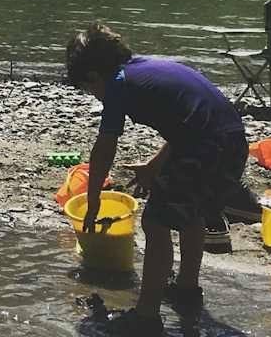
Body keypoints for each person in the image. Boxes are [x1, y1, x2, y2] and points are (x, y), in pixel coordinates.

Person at [65, 22, 260, 335]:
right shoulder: (146, 69)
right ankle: (185, 290)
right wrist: (156, 165)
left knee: (155, 222)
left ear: (93, 76)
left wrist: (93, 198)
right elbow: (189, 120)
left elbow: (105, 146)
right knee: (190, 212)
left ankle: (146, 318)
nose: (96, 96)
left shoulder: (117, 84)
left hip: (206, 146)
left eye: (90, 90)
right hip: (231, 140)